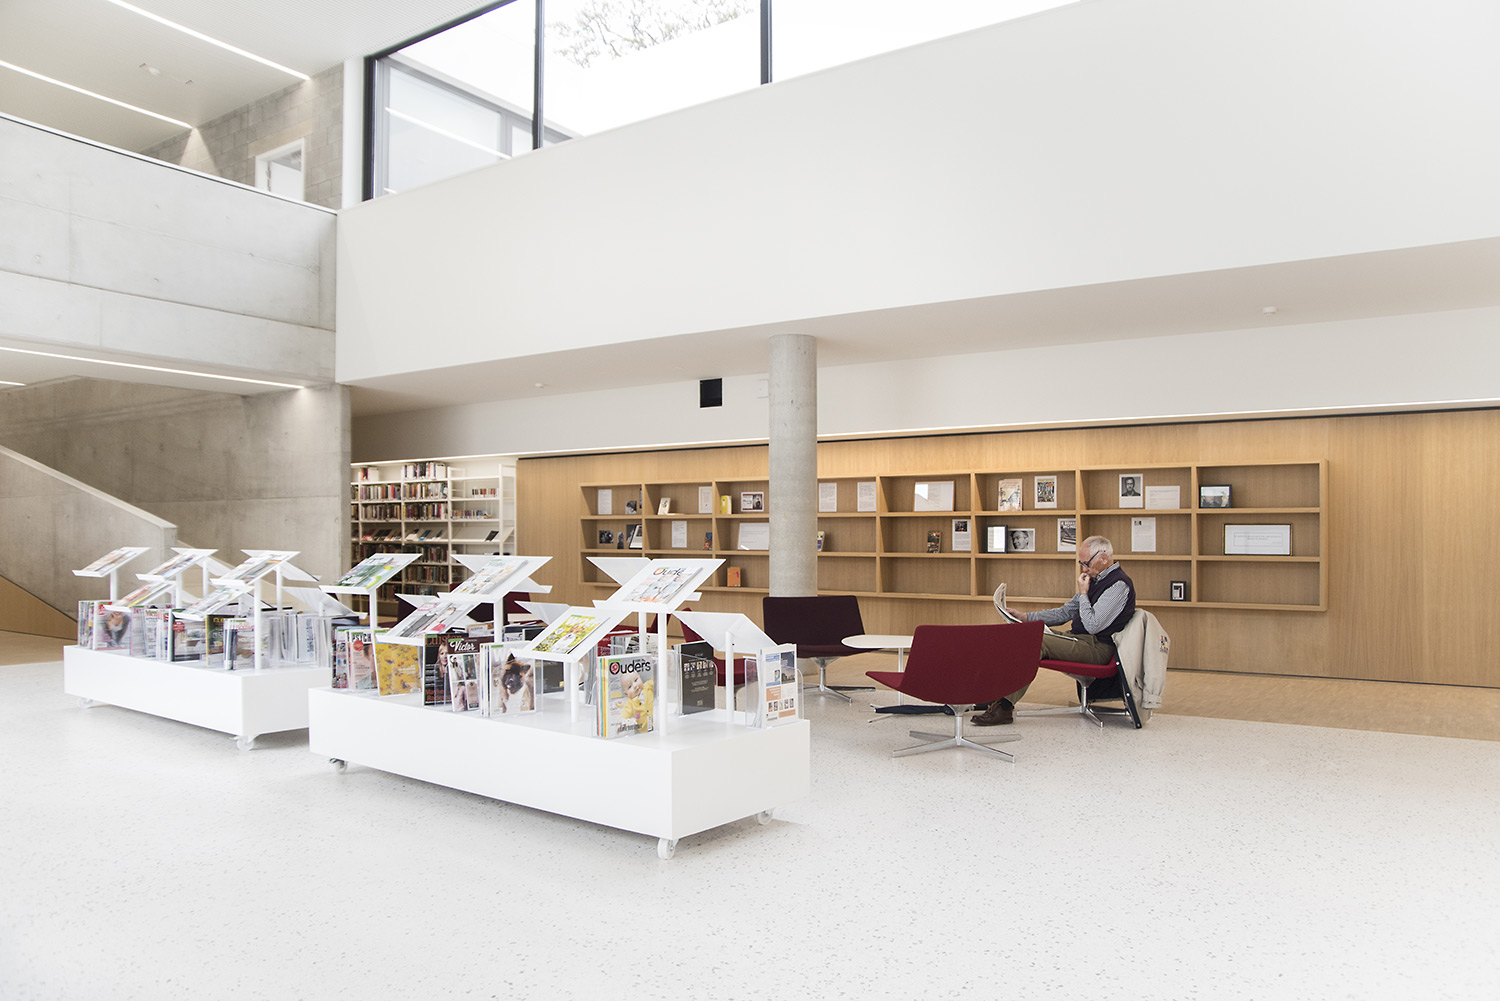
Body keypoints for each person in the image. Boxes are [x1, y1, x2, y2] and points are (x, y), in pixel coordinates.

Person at [974, 534, 1136, 726]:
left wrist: (1083, 594)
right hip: (1080, 640)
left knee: (1034, 642)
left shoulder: (1119, 585)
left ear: (1104, 558)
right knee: (1021, 636)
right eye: (1081, 563)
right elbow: (1065, 612)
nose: (1084, 569)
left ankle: (1004, 707)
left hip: (1097, 648)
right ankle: (994, 696)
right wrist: (1025, 617)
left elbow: (1093, 625)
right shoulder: (1095, 579)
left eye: (1087, 564)